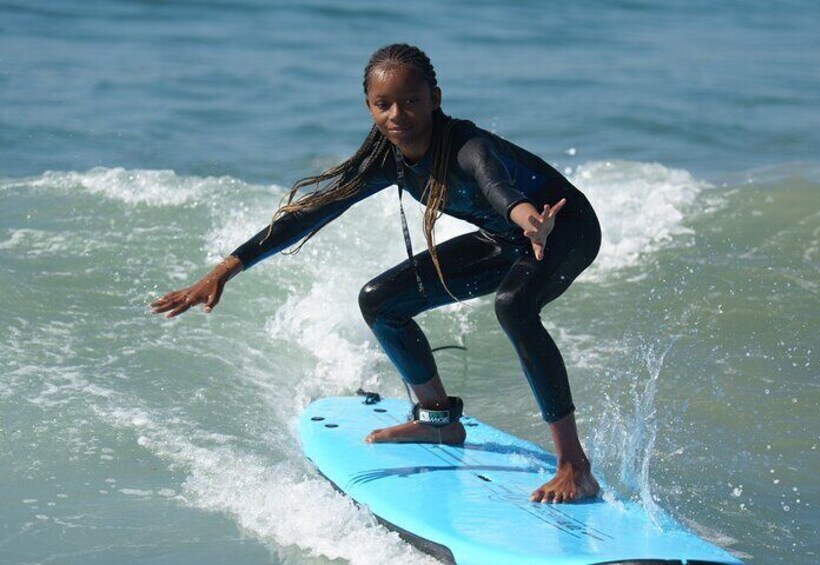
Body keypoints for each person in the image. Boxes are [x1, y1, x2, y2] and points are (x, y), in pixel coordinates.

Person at [151, 44, 601, 503]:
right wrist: (227, 268)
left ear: (435, 99)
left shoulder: (470, 147)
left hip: (563, 229)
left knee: (514, 306)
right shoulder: (387, 159)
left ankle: (574, 467)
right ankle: (439, 422)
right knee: (380, 302)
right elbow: (309, 214)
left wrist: (529, 220)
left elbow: (497, 187)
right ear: (368, 106)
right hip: (507, 239)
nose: (397, 114)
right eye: (383, 104)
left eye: (410, 101)